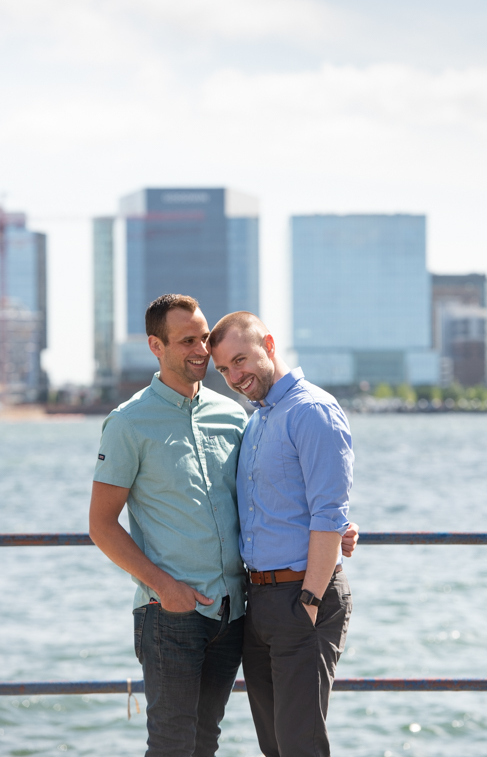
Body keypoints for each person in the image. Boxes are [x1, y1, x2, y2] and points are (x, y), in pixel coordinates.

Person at [89, 294, 357, 757]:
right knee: (174, 746)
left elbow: (285, 494)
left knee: (209, 741)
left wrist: (334, 533)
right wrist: (164, 587)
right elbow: (101, 525)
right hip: (171, 614)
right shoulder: (128, 422)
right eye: (188, 340)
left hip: (236, 611)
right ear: (156, 345)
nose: (202, 350)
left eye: (205, 338)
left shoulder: (237, 415)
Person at [210, 311, 354, 757]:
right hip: (261, 601)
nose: (235, 376)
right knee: (275, 746)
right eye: (224, 370)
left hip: (302, 596)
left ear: (268, 346)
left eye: (241, 360)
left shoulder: (311, 410)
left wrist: (308, 602)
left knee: (300, 745)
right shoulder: (256, 422)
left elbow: (329, 513)